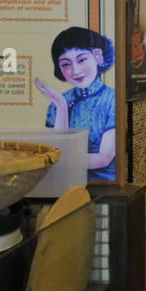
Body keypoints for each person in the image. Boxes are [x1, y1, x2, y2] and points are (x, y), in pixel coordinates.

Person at [34, 27, 116, 181]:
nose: (75, 71)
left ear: (98, 56)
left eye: (82, 59)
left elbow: (104, 158)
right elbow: (55, 149)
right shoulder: (57, 103)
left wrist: (62, 160)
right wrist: (61, 106)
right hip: (62, 182)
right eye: (66, 64)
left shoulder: (112, 99)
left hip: (103, 184)